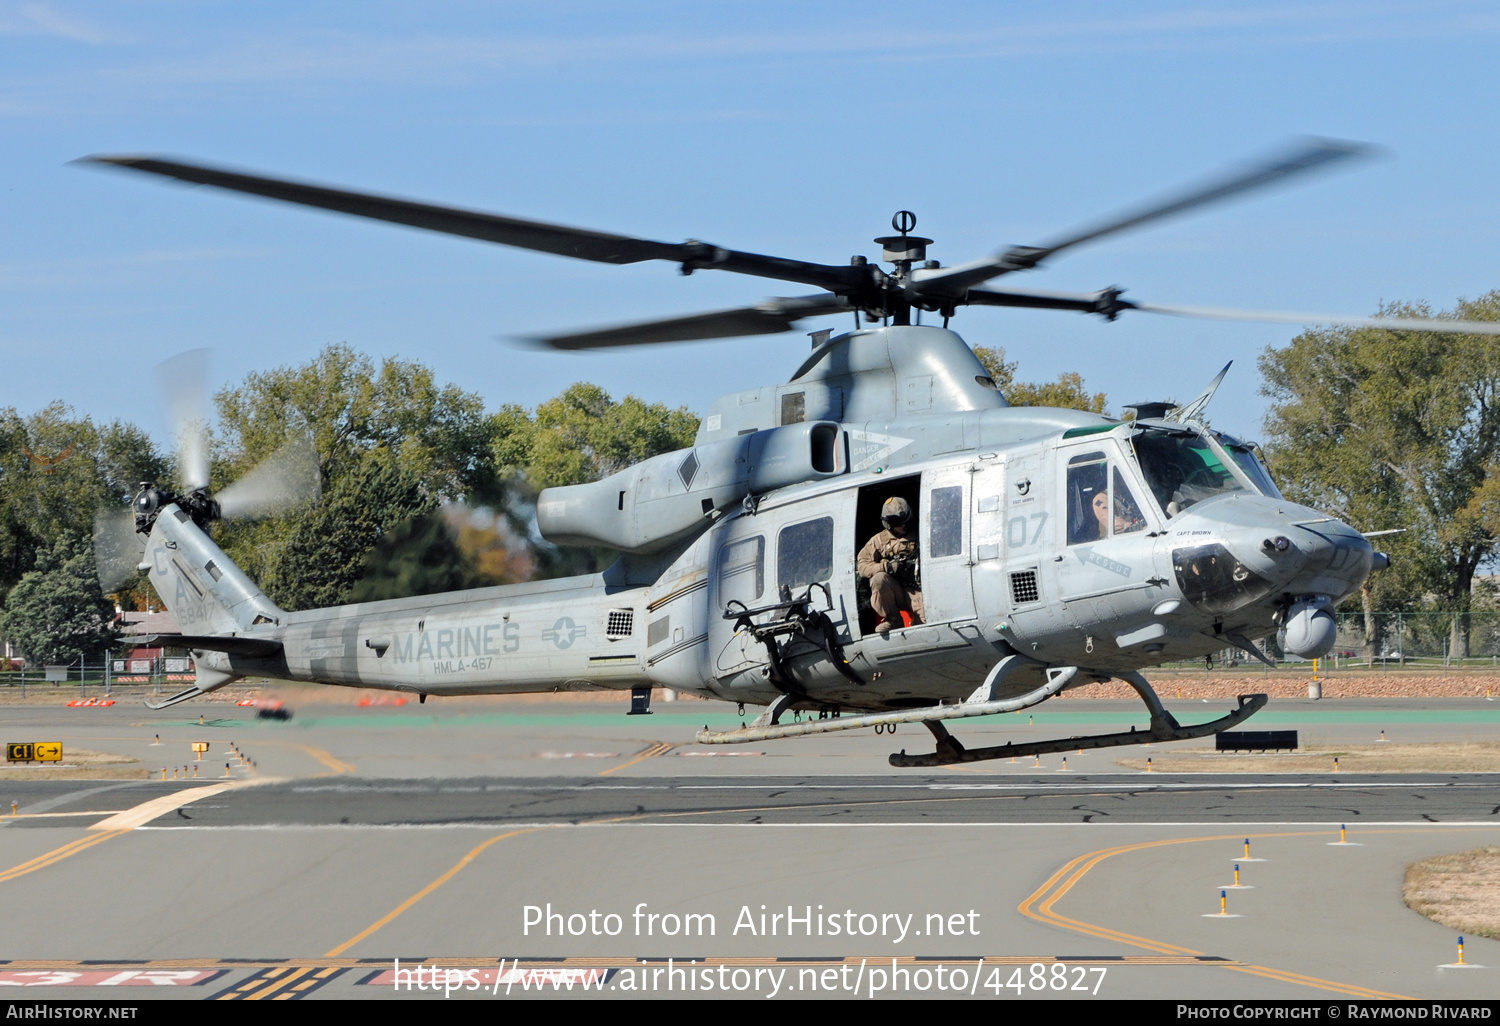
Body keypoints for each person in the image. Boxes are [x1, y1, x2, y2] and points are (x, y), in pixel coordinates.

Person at [857, 496, 924, 634]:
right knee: (879, 579)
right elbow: (863, 566)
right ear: (889, 524)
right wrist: (887, 567)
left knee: (922, 629)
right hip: (897, 592)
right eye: (899, 524)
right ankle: (893, 619)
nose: (904, 526)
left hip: (920, 591)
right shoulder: (879, 541)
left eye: (906, 522)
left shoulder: (921, 531)